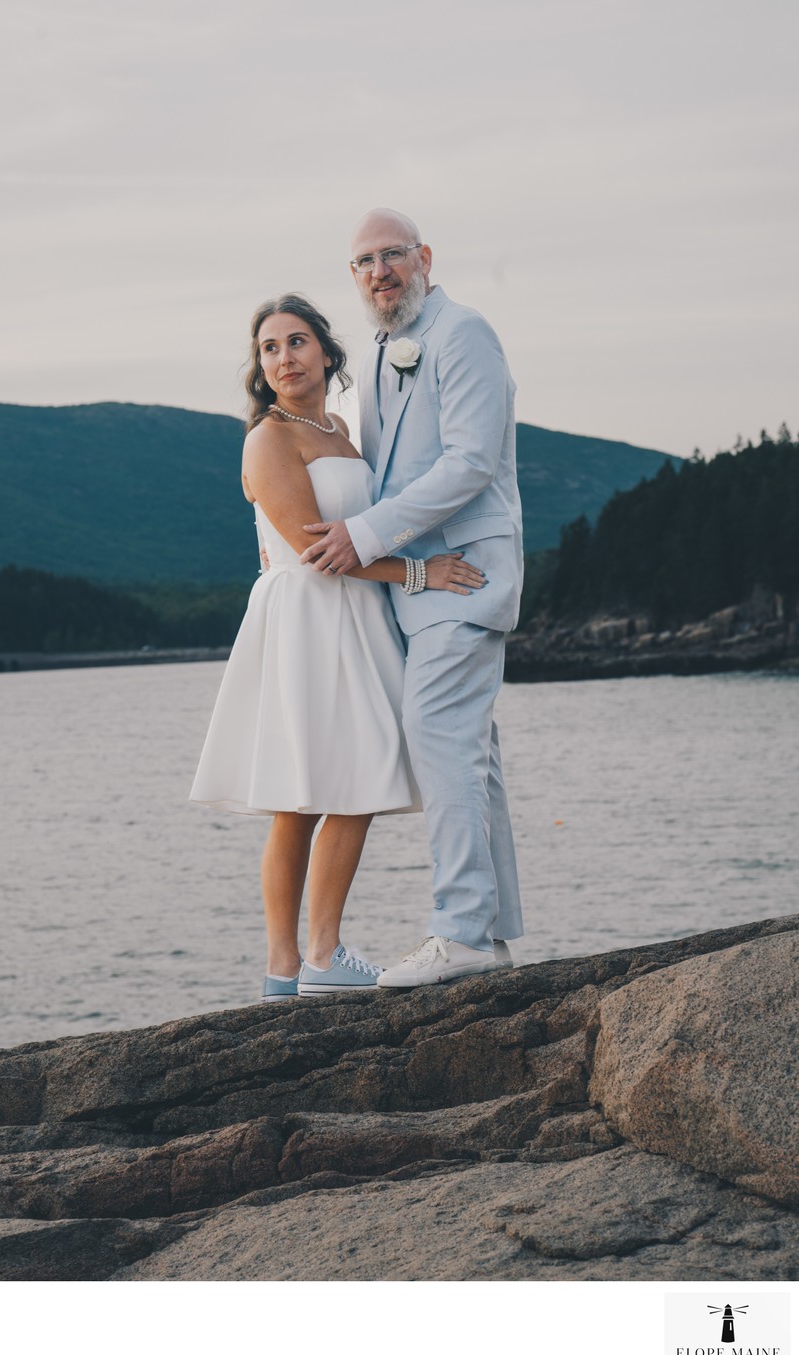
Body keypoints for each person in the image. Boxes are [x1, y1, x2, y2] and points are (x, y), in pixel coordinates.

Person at [190, 293, 486, 1001]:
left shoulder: (339, 433)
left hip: (355, 616)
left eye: (296, 341)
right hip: (307, 619)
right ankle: (289, 965)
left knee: (357, 784)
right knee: (301, 797)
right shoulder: (269, 438)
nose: (284, 356)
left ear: (325, 351)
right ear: (259, 367)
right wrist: (423, 573)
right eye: (269, 348)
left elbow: (370, 522)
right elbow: (314, 550)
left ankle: (315, 956)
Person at [300, 209, 525, 988]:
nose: (377, 273)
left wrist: (363, 536)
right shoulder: (373, 354)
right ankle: (489, 935)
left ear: (424, 257)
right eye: (362, 262)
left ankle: (459, 931)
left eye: (390, 256)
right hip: (416, 591)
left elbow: (467, 464)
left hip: (466, 570)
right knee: (473, 756)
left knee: (439, 737)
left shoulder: (463, 334)